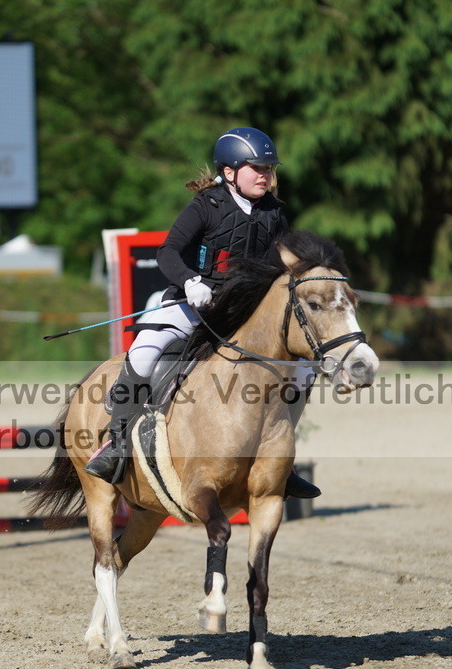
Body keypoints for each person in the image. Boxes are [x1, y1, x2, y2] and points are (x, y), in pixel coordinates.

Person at [85, 126, 320, 498]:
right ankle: (116, 446)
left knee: (304, 370)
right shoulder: (206, 207)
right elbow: (167, 253)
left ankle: (281, 463)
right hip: (193, 305)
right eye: (256, 168)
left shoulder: (274, 214)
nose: (266, 175)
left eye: (269, 168)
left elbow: (277, 266)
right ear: (229, 172)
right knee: (145, 349)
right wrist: (192, 282)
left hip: (243, 314)